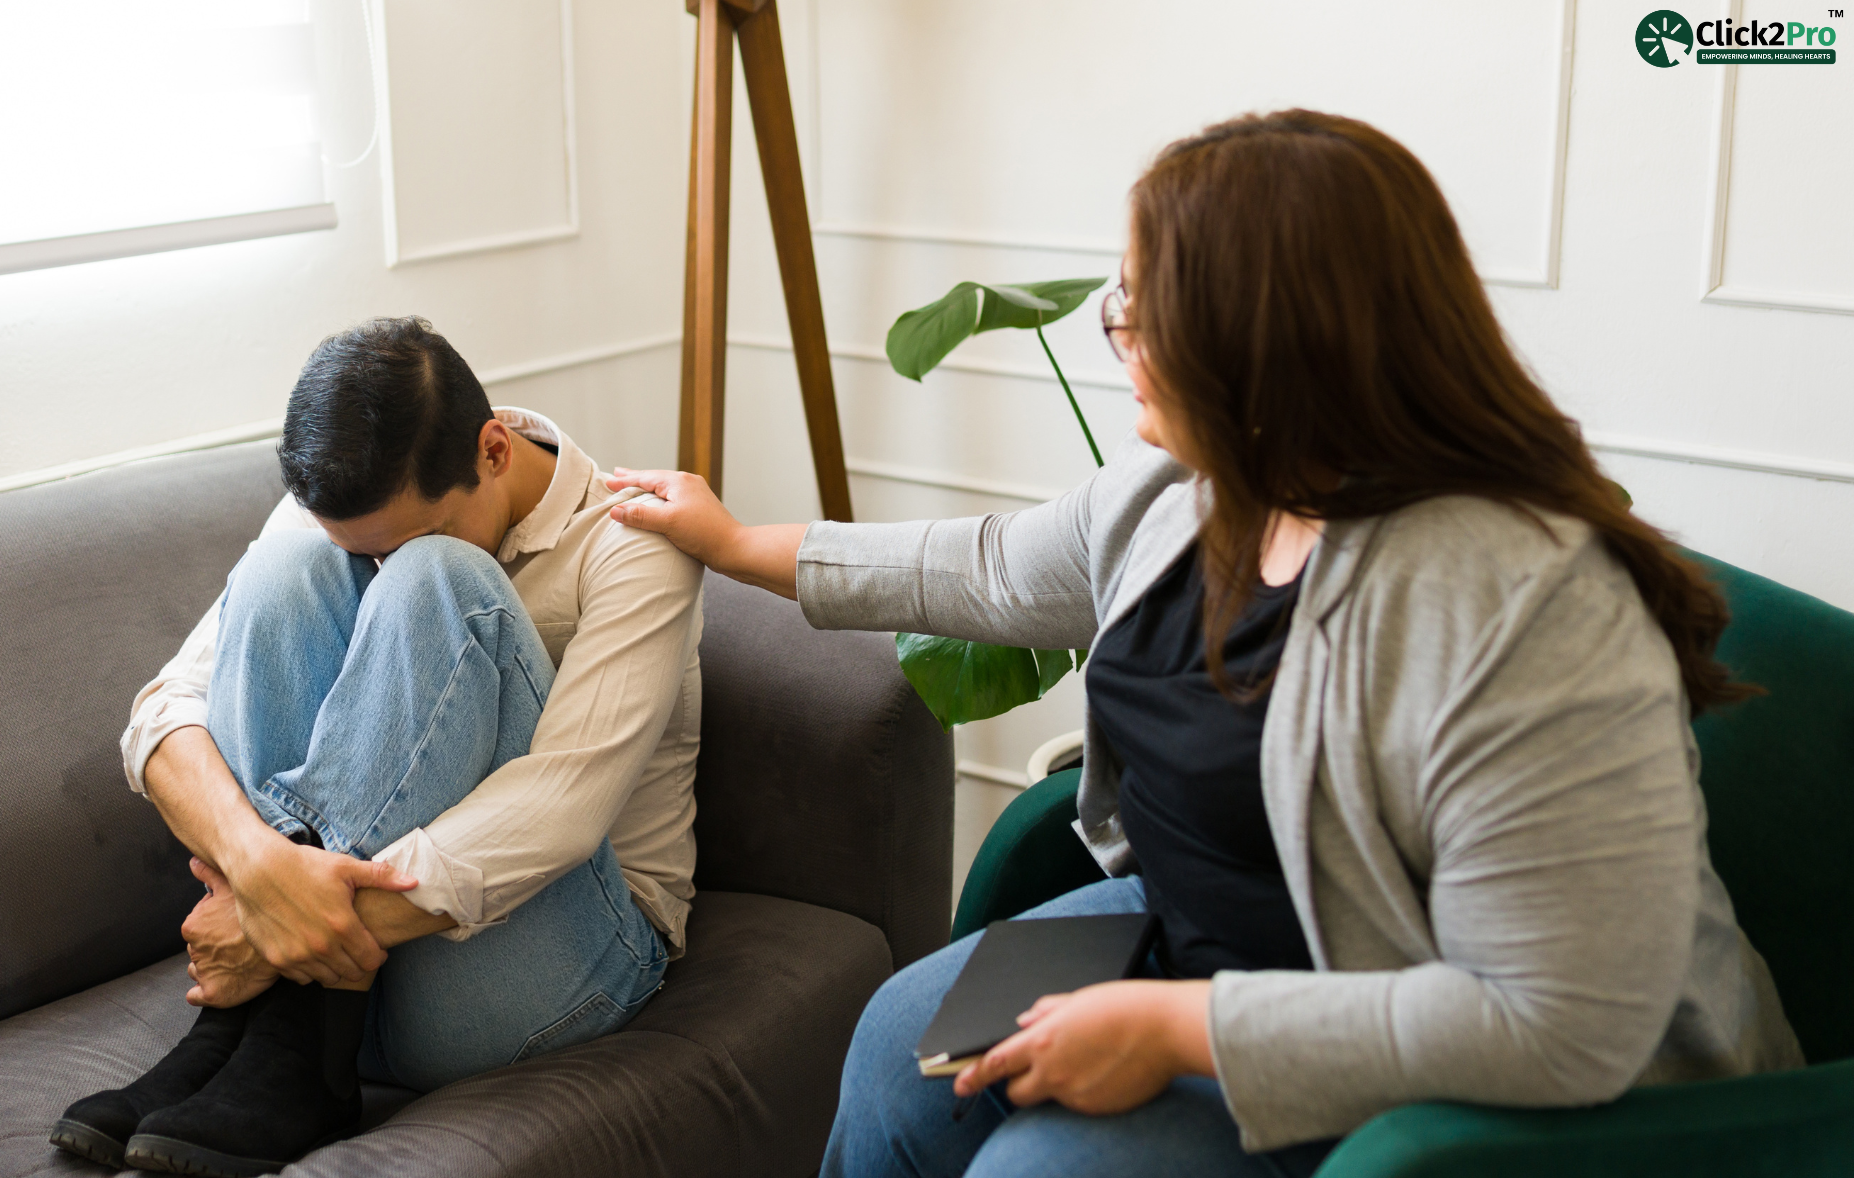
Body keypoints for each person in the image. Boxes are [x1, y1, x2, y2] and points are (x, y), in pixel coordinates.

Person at [603, 109, 1803, 1178]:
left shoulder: (1519, 607)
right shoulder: (1187, 490)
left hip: (1484, 1077)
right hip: (1203, 942)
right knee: (891, 1049)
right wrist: (735, 537)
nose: (1113, 328)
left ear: (1261, 341)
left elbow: (1559, 1021)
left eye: (1139, 304)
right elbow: (988, 565)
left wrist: (1183, 1029)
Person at [50, 316, 705, 1177]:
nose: (374, 564)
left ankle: (286, 1024)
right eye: (362, 549)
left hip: (566, 955)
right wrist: (257, 873)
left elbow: (563, 813)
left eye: (400, 537)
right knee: (285, 575)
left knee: (441, 582)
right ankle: (286, 1047)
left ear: (494, 451)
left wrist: (272, 936)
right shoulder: (344, 506)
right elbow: (162, 714)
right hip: (371, 983)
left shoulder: (632, 544)